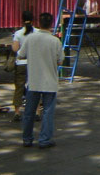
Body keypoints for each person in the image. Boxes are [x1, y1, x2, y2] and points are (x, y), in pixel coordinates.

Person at [18, 12, 65, 148]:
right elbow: (60, 60)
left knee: (29, 111)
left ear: (38, 22)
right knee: (48, 112)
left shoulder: (30, 38)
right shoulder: (55, 41)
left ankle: (27, 138)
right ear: (51, 24)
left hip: (33, 80)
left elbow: (20, 54)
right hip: (50, 81)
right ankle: (45, 139)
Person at [11, 11, 41, 122]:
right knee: (35, 87)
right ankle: (37, 111)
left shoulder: (18, 33)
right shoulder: (38, 32)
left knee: (19, 87)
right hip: (35, 63)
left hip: (21, 63)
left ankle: (17, 111)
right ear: (33, 20)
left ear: (22, 20)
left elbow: (15, 49)